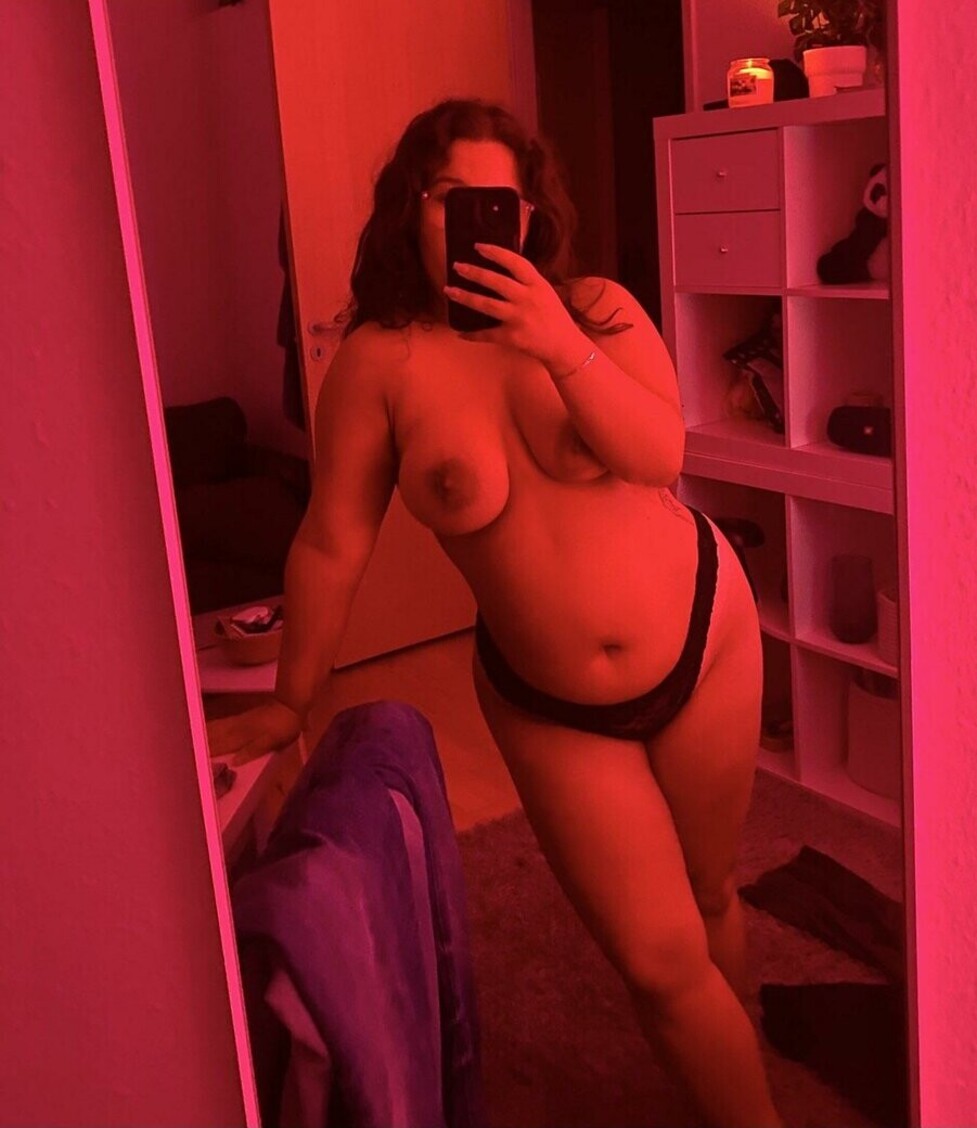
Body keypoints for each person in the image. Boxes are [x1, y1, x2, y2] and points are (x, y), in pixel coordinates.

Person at [210, 98, 783, 1128]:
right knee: (658, 964)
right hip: (550, 703)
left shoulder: (596, 309)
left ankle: (736, 1069)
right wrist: (292, 699)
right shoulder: (378, 364)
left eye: (500, 202)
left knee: (710, 893)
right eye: (450, 198)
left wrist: (560, 344)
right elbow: (332, 543)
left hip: (704, 636)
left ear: (528, 214)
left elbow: (660, 455)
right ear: (412, 209)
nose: (478, 220)